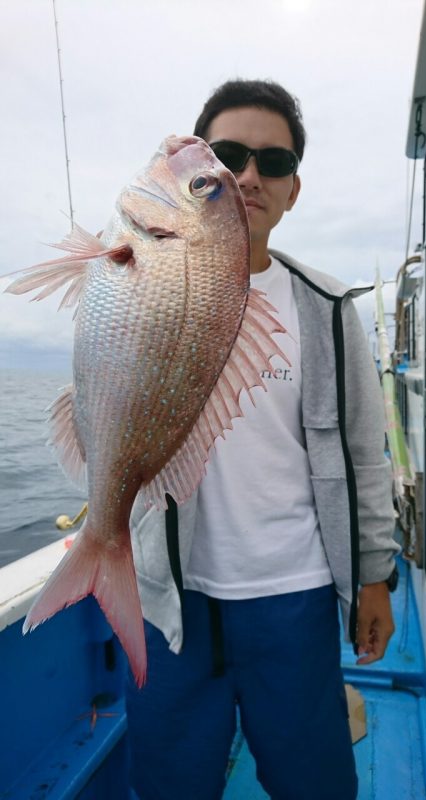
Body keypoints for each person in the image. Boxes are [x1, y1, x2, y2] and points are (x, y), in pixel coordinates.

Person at [126, 79, 400, 800]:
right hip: (173, 596)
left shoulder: (329, 309)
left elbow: (364, 456)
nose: (249, 176)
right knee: (170, 779)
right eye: (227, 155)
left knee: (313, 780)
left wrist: (375, 576)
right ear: (196, 171)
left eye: (272, 163)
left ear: (293, 190)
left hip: (296, 596)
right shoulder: (145, 279)